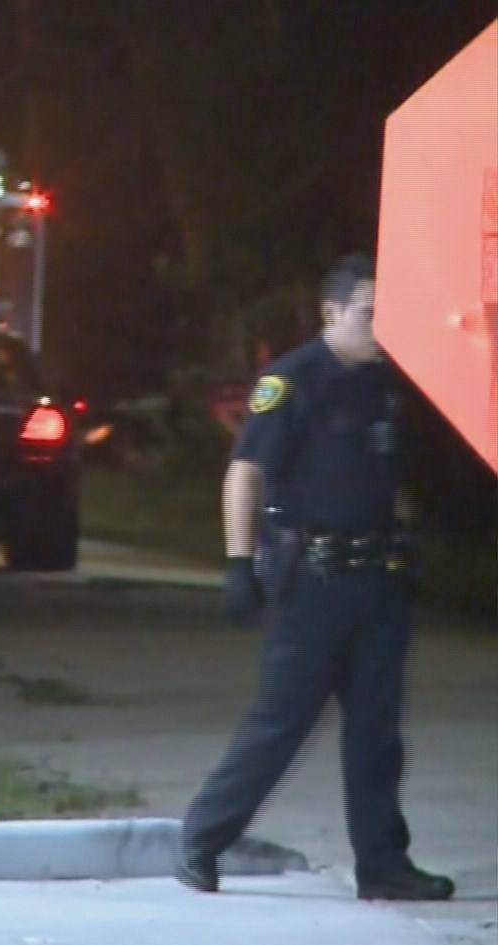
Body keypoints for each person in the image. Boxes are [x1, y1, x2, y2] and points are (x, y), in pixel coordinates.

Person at [177, 252, 454, 904]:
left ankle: (384, 865)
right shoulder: (291, 381)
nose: (380, 325)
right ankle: (201, 840)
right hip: (313, 586)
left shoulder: (383, 384)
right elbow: (244, 473)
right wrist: (240, 564)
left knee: (377, 736)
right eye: (369, 312)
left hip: (377, 582)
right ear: (333, 313)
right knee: (282, 724)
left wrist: (406, 532)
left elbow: (384, 478)